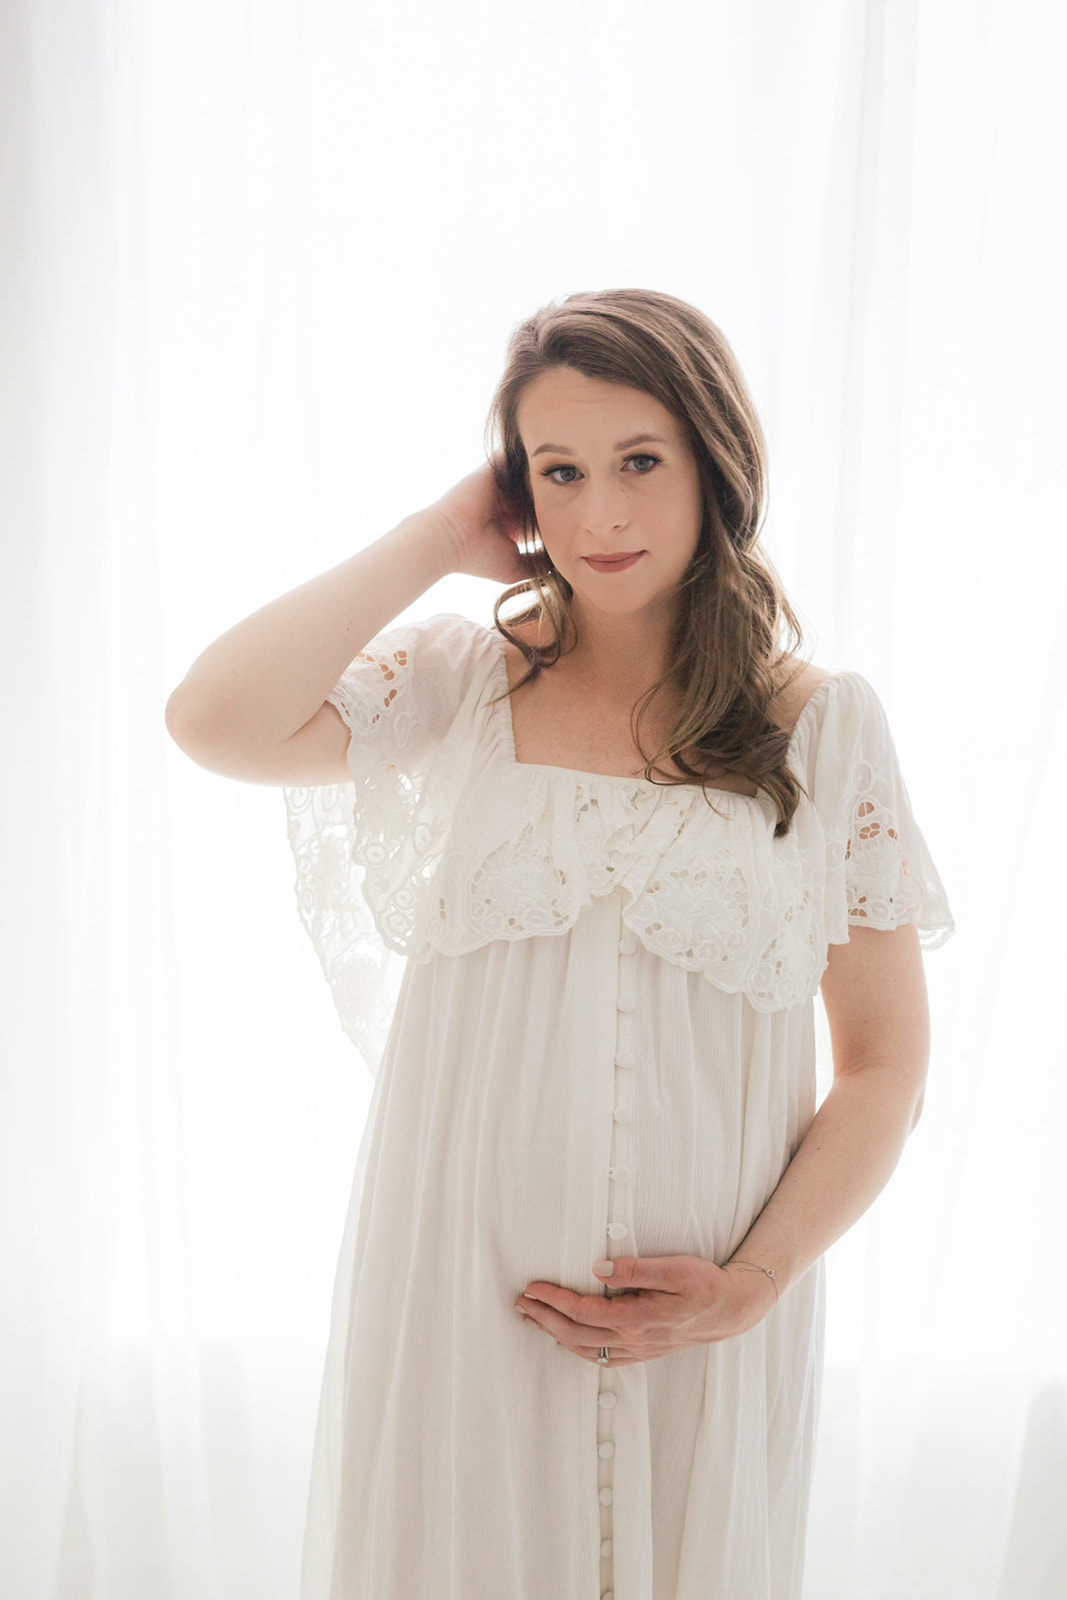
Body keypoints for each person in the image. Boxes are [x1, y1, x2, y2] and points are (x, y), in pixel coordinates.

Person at [165, 287, 955, 1600]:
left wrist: (752, 1284)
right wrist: (436, 536)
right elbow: (213, 719)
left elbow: (884, 1065)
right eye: (560, 471)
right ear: (517, 492)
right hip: (456, 1312)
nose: (601, 515)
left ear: (716, 461)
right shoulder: (463, 682)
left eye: (640, 461)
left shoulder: (825, 729)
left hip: (702, 1334)